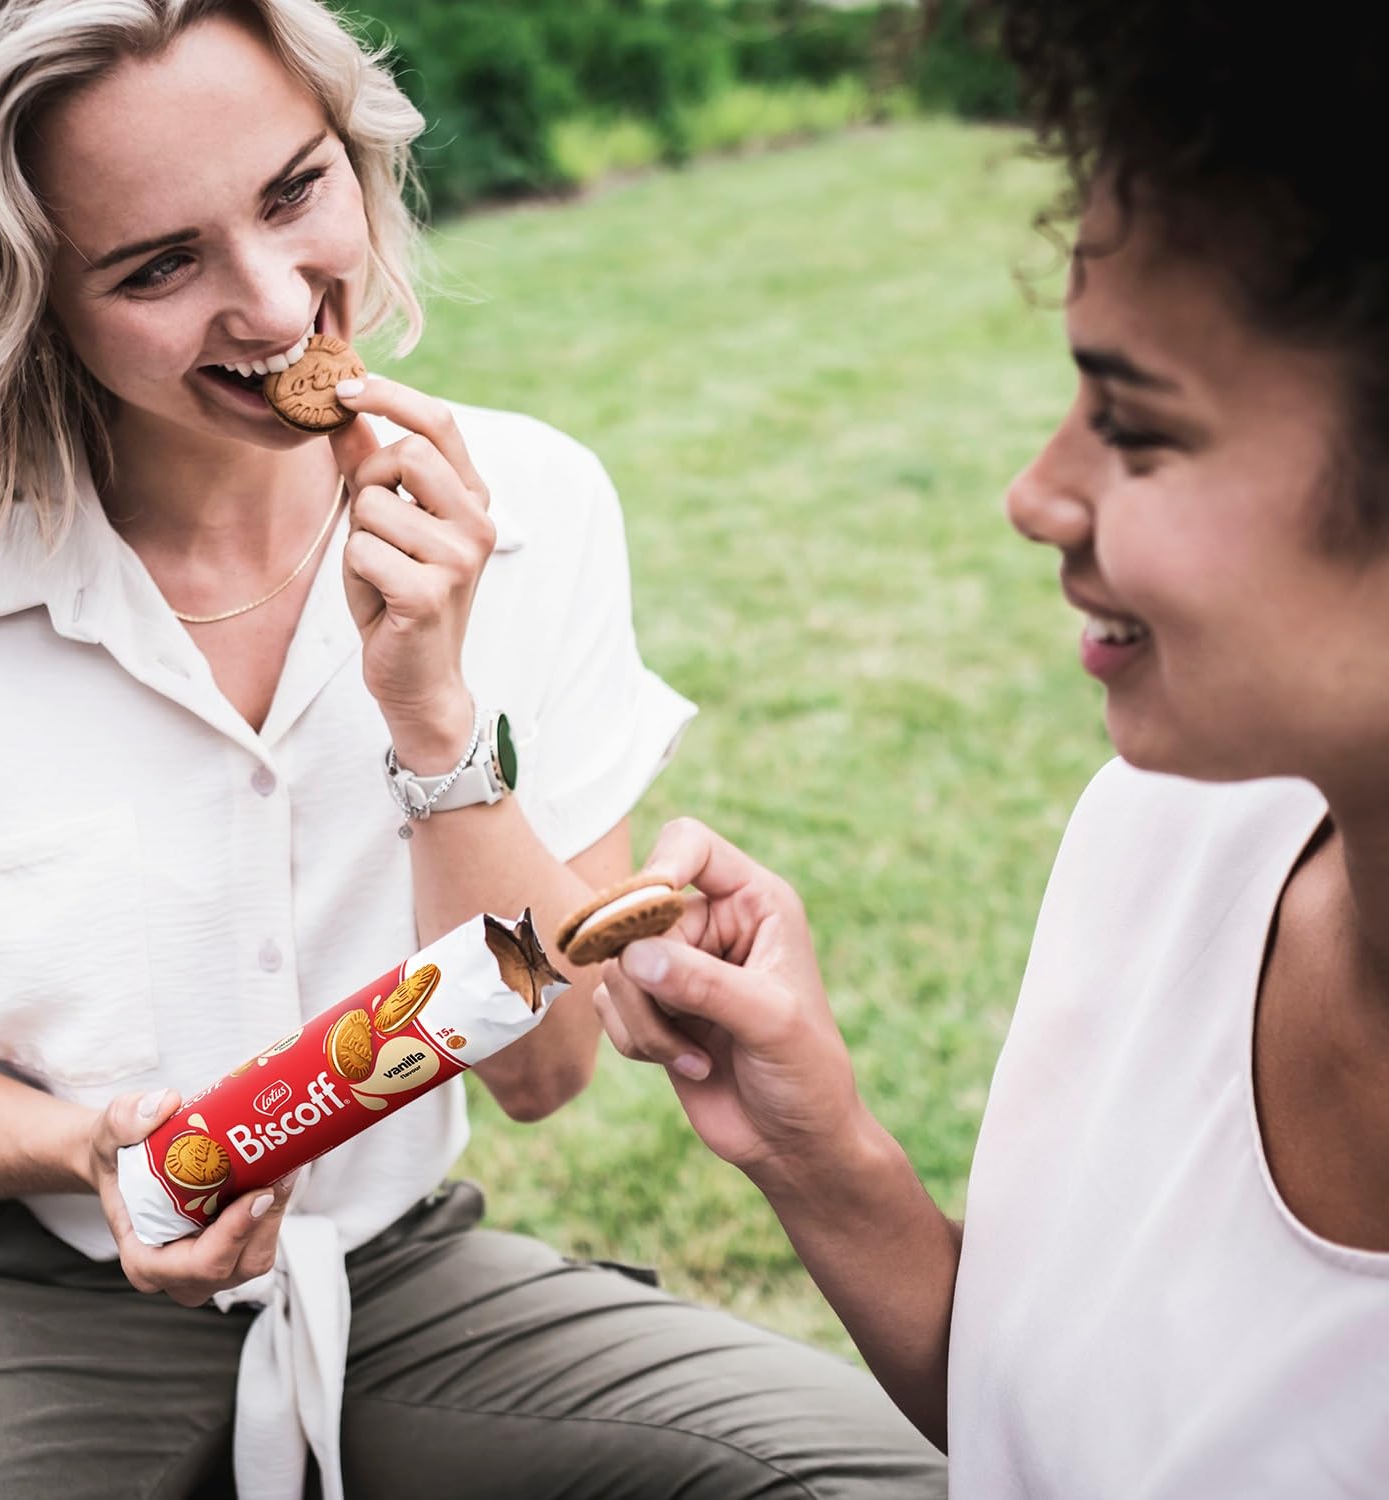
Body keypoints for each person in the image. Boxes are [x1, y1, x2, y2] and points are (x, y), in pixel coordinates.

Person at [0, 2, 949, 1497]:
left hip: (395, 1281)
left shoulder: (534, 504)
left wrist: (433, 710)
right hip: (30, 1290)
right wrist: (89, 1153)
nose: (277, 306)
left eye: (294, 190)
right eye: (158, 266)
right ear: (24, 299)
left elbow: (546, 1068)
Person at [593, 3, 1389, 1495]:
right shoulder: (1163, 828)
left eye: (1135, 428)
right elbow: (1065, 1431)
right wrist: (818, 1150)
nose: (1035, 493)